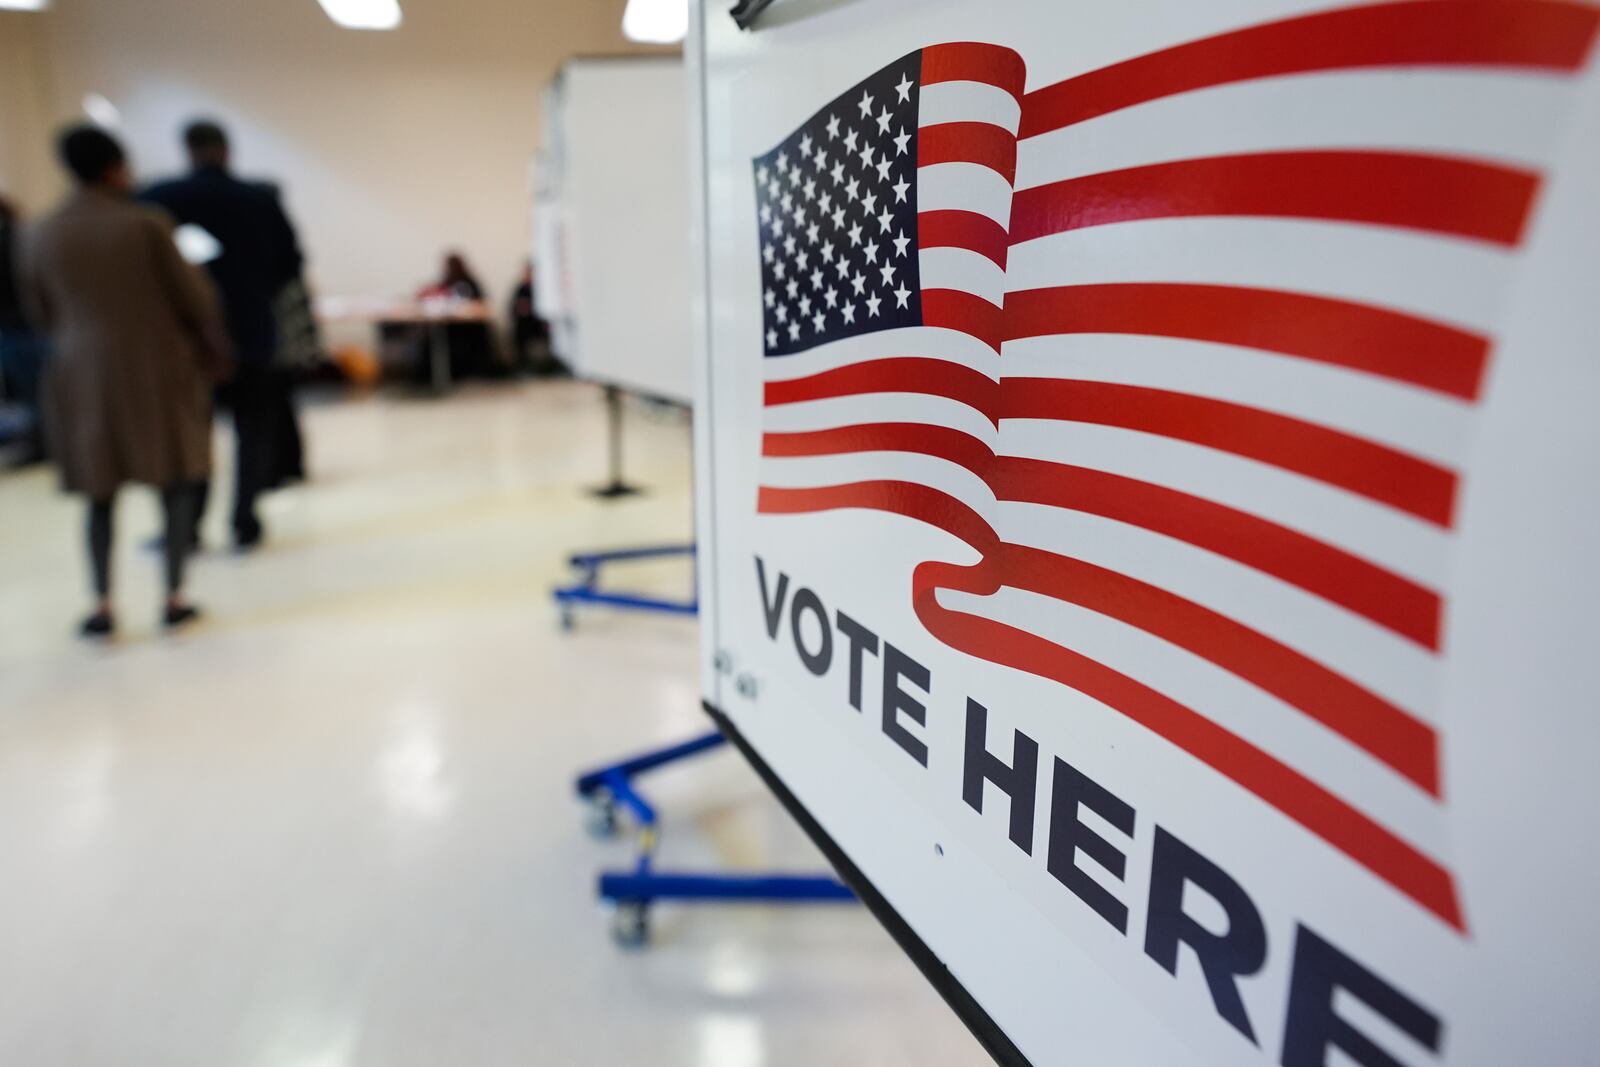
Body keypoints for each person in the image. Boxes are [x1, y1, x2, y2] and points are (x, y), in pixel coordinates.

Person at [18, 125, 230, 637]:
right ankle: (174, 595)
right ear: (116, 166)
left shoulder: (41, 232)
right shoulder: (145, 225)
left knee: (99, 492)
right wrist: (215, 349)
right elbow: (195, 299)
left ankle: (102, 602)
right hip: (155, 369)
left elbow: (39, 310)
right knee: (175, 480)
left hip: (80, 375)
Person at [143, 119, 306, 549]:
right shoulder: (258, 198)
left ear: (189, 150)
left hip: (188, 339)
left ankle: (189, 526)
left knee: (192, 436)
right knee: (252, 431)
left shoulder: (160, 199)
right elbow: (290, 263)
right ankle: (244, 519)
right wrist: (251, 293)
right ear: (226, 150)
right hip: (252, 330)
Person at [0, 194, 48, 465]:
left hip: (15, 332)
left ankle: (41, 444)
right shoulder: (28, 238)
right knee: (43, 392)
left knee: (32, 397)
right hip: (35, 327)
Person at [508, 260, 565, 377]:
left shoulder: (544, 289)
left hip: (540, 324)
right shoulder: (521, 289)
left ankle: (554, 364)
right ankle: (524, 366)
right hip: (525, 325)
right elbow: (513, 309)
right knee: (520, 330)